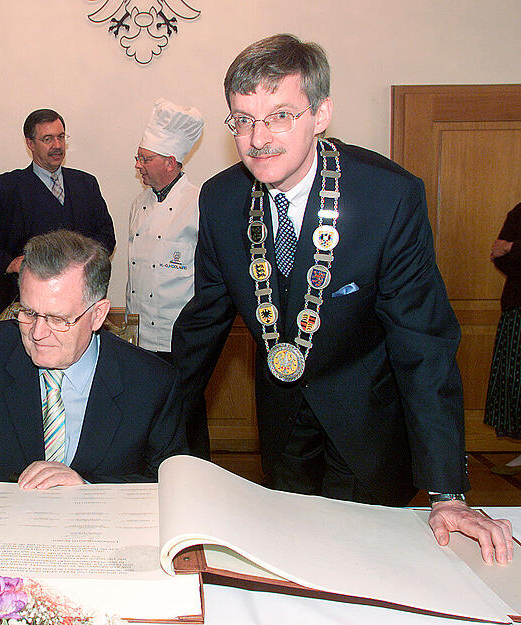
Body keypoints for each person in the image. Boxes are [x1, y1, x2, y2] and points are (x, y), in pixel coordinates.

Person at [171, 34, 513, 563]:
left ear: (322, 112)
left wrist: (448, 491)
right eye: (243, 119)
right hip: (282, 428)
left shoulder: (387, 197)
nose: (258, 138)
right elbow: (201, 327)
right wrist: (139, 429)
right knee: (292, 560)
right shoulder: (220, 199)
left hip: (370, 423)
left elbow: (422, 343)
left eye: (280, 114)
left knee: (364, 567)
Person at [0, 230, 188, 525]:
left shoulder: (152, 382)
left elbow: (173, 486)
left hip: (104, 546)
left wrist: (89, 489)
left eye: (58, 319)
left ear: (98, 315)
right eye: (29, 312)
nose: (38, 333)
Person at [0, 109, 116, 311]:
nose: (57, 145)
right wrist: (7, 263)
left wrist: (85, 265)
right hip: (24, 303)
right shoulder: (7, 188)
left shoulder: (86, 184)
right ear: (30, 143)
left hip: (80, 302)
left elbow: (107, 235)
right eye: (48, 139)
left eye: (61, 137)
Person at [126, 98, 203, 364]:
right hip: (138, 336)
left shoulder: (198, 203)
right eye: (138, 158)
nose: (138, 165)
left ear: (170, 162)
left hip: (178, 337)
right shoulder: (139, 203)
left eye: (145, 159)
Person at [485, 202, 521, 474]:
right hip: (518, 307)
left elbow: (505, 249)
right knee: (515, 382)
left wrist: (513, 247)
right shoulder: (519, 213)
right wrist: (507, 251)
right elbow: (499, 256)